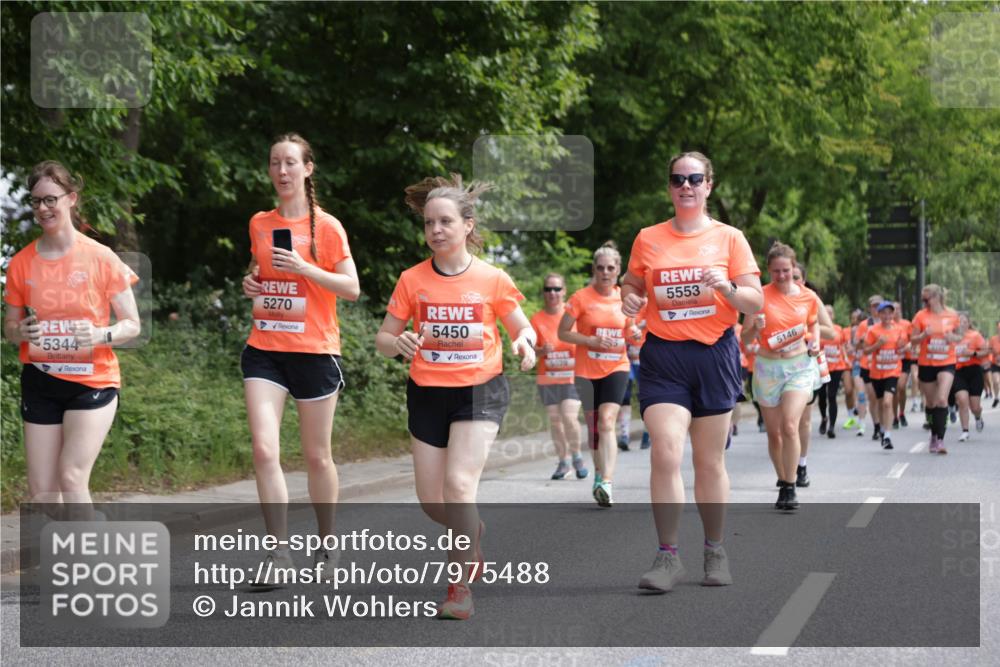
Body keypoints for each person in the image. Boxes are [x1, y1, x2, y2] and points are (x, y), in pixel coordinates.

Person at [375, 174, 536, 620]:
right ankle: (471, 530)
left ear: (467, 225)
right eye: (429, 223)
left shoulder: (492, 278)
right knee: (433, 502)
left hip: (478, 390)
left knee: (459, 486)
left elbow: (521, 325)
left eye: (445, 221)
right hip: (427, 391)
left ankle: (458, 586)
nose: (435, 231)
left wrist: (524, 342)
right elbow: (383, 338)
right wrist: (398, 342)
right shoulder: (412, 280)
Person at [622, 151, 762, 591]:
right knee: (664, 449)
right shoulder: (648, 238)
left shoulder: (730, 238)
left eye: (694, 178)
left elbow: (756, 301)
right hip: (664, 355)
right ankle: (667, 558)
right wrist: (629, 297)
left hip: (715, 354)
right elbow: (633, 283)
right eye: (678, 179)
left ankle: (714, 549)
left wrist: (728, 288)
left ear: (708, 186)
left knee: (708, 461)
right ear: (669, 187)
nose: (686, 185)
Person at [240, 134, 360, 583]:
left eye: (291, 162)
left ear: (308, 169)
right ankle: (278, 555)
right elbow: (258, 271)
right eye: (275, 163)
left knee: (316, 457)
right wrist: (251, 283)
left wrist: (306, 268)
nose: (282, 171)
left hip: (314, 351)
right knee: (264, 448)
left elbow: (351, 287)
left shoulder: (326, 226)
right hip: (265, 348)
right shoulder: (259, 222)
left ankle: (328, 547)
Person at [3, 160, 141, 516]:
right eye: (36, 202)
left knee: (72, 476)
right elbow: (10, 329)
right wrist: (21, 332)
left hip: (91, 380)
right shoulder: (21, 263)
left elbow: (132, 325)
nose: (43, 209)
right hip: (41, 379)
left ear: (71, 198)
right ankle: (92, 527)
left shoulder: (101, 257)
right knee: (44, 497)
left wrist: (99, 334)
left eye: (51, 199)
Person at [558, 242, 635, 507]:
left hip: (617, 366)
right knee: (594, 431)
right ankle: (599, 474)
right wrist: (589, 341)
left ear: (618, 270)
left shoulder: (625, 298)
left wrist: (633, 334)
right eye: (600, 267)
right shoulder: (580, 298)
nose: (605, 272)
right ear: (594, 269)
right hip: (586, 371)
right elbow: (563, 332)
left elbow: (631, 331)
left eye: (610, 268)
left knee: (607, 420)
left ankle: (607, 481)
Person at [741, 242, 818, 511]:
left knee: (789, 425)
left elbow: (814, 322)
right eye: (776, 271)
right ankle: (782, 479)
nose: (782, 276)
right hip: (767, 368)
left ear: (794, 268)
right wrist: (755, 328)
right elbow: (745, 337)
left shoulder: (807, 296)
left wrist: (815, 342)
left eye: (786, 270)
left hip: (798, 367)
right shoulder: (757, 297)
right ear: (768, 271)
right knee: (774, 434)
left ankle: (791, 485)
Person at [529, 273, 587, 480]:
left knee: (569, 417)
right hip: (547, 378)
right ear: (544, 292)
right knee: (555, 421)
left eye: (556, 289)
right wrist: (540, 351)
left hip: (572, 377)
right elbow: (528, 351)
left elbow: (586, 341)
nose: (552, 293)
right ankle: (563, 462)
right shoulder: (536, 319)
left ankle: (578, 456)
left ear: (564, 291)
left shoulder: (572, 316)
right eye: (548, 289)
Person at [909, 284, 961, 454]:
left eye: (927, 297)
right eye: (923, 298)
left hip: (947, 361)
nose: (925, 301)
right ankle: (933, 434)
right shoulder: (920, 316)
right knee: (931, 403)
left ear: (937, 297)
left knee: (941, 400)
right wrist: (924, 335)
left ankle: (940, 440)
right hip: (926, 363)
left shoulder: (952, 315)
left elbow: (960, 336)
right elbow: (913, 340)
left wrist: (952, 337)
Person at [862, 301, 909, 450]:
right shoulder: (873, 331)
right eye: (884, 313)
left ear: (893, 314)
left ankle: (887, 435)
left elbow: (904, 347)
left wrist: (905, 346)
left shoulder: (900, 330)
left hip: (893, 371)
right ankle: (882, 429)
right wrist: (877, 344)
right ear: (879, 314)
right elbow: (866, 351)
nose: (887, 316)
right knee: (881, 404)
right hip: (877, 372)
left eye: (890, 312)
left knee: (888, 402)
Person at [951, 314, 987, 441]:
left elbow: (986, 351)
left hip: (974, 372)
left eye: (964, 321)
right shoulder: (952, 337)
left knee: (975, 407)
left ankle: (978, 417)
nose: (961, 324)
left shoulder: (975, 335)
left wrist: (973, 353)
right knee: (962, 400)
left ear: (968, 323)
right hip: (959, 372)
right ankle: (965, 431)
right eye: (959, 322)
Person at [853, 295, 885, 440]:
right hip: (868, 364)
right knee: (872, 397)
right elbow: (856, 345)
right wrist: (864, 339)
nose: (876, 308)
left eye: (879, 305)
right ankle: (877, 425)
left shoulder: (888, 324)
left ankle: (884, 426)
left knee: (884, 400)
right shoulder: (864, 325)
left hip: (885, 365)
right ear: (870, 308)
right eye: (873, 305)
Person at [820, 304, 850, 440]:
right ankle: (824, 418)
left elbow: (842, 346)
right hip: (820, 367)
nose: (828, 315)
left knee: (832, 396)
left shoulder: (839, 330)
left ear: (833, 315)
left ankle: (831, 427)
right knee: (821, 397)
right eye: (825, 313)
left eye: (830, 313)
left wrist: (847, 358)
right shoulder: (817, 329)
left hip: (837, 367)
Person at [893, 302, 913, 428]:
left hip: (905, 359)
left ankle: (901, 412)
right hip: (892, 360)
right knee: (894, 389)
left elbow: (913, 340)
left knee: (901, 386)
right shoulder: (888, 325)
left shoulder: (907, 324)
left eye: (898, 309)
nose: (896, 311)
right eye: (894, 309)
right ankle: (894, 417)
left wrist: (907, 347)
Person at [989, 321, 1000, 409]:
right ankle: (996, 397)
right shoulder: (993, 339)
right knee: (996, 381)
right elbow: (989, 351)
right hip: (995, 364)